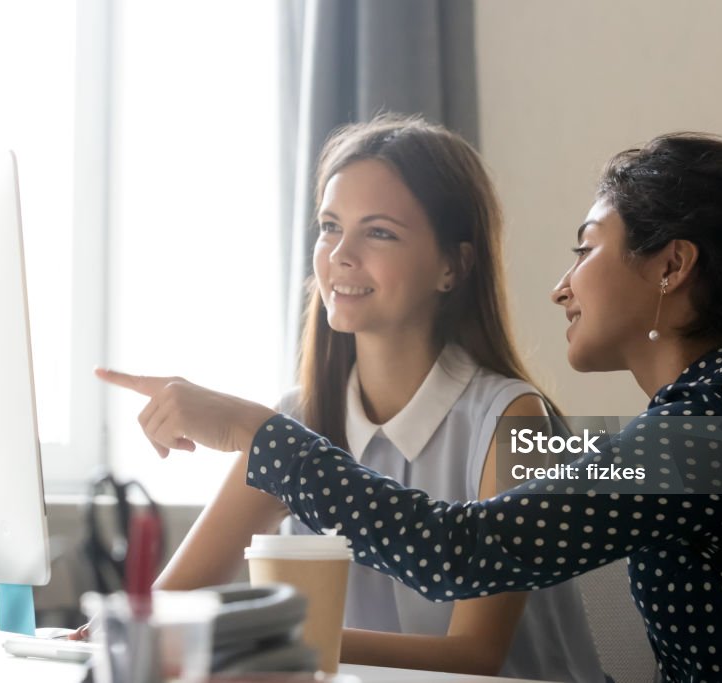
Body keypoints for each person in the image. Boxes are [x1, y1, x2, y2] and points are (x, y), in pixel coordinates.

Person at [107, 132, 722, 681]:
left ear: (671, 266)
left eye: (586, 248)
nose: (563, 284)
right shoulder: (719, 414)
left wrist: (256, 433)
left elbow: (460, 552)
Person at [97, 115, 603, 681]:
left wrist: (272, 639)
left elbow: (474, 654)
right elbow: (171, 600)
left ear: (452, 265)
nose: (340, 253)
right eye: (329, 226)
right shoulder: (300, 419)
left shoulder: (510, 420)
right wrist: (99, 638)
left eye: (379, 232)